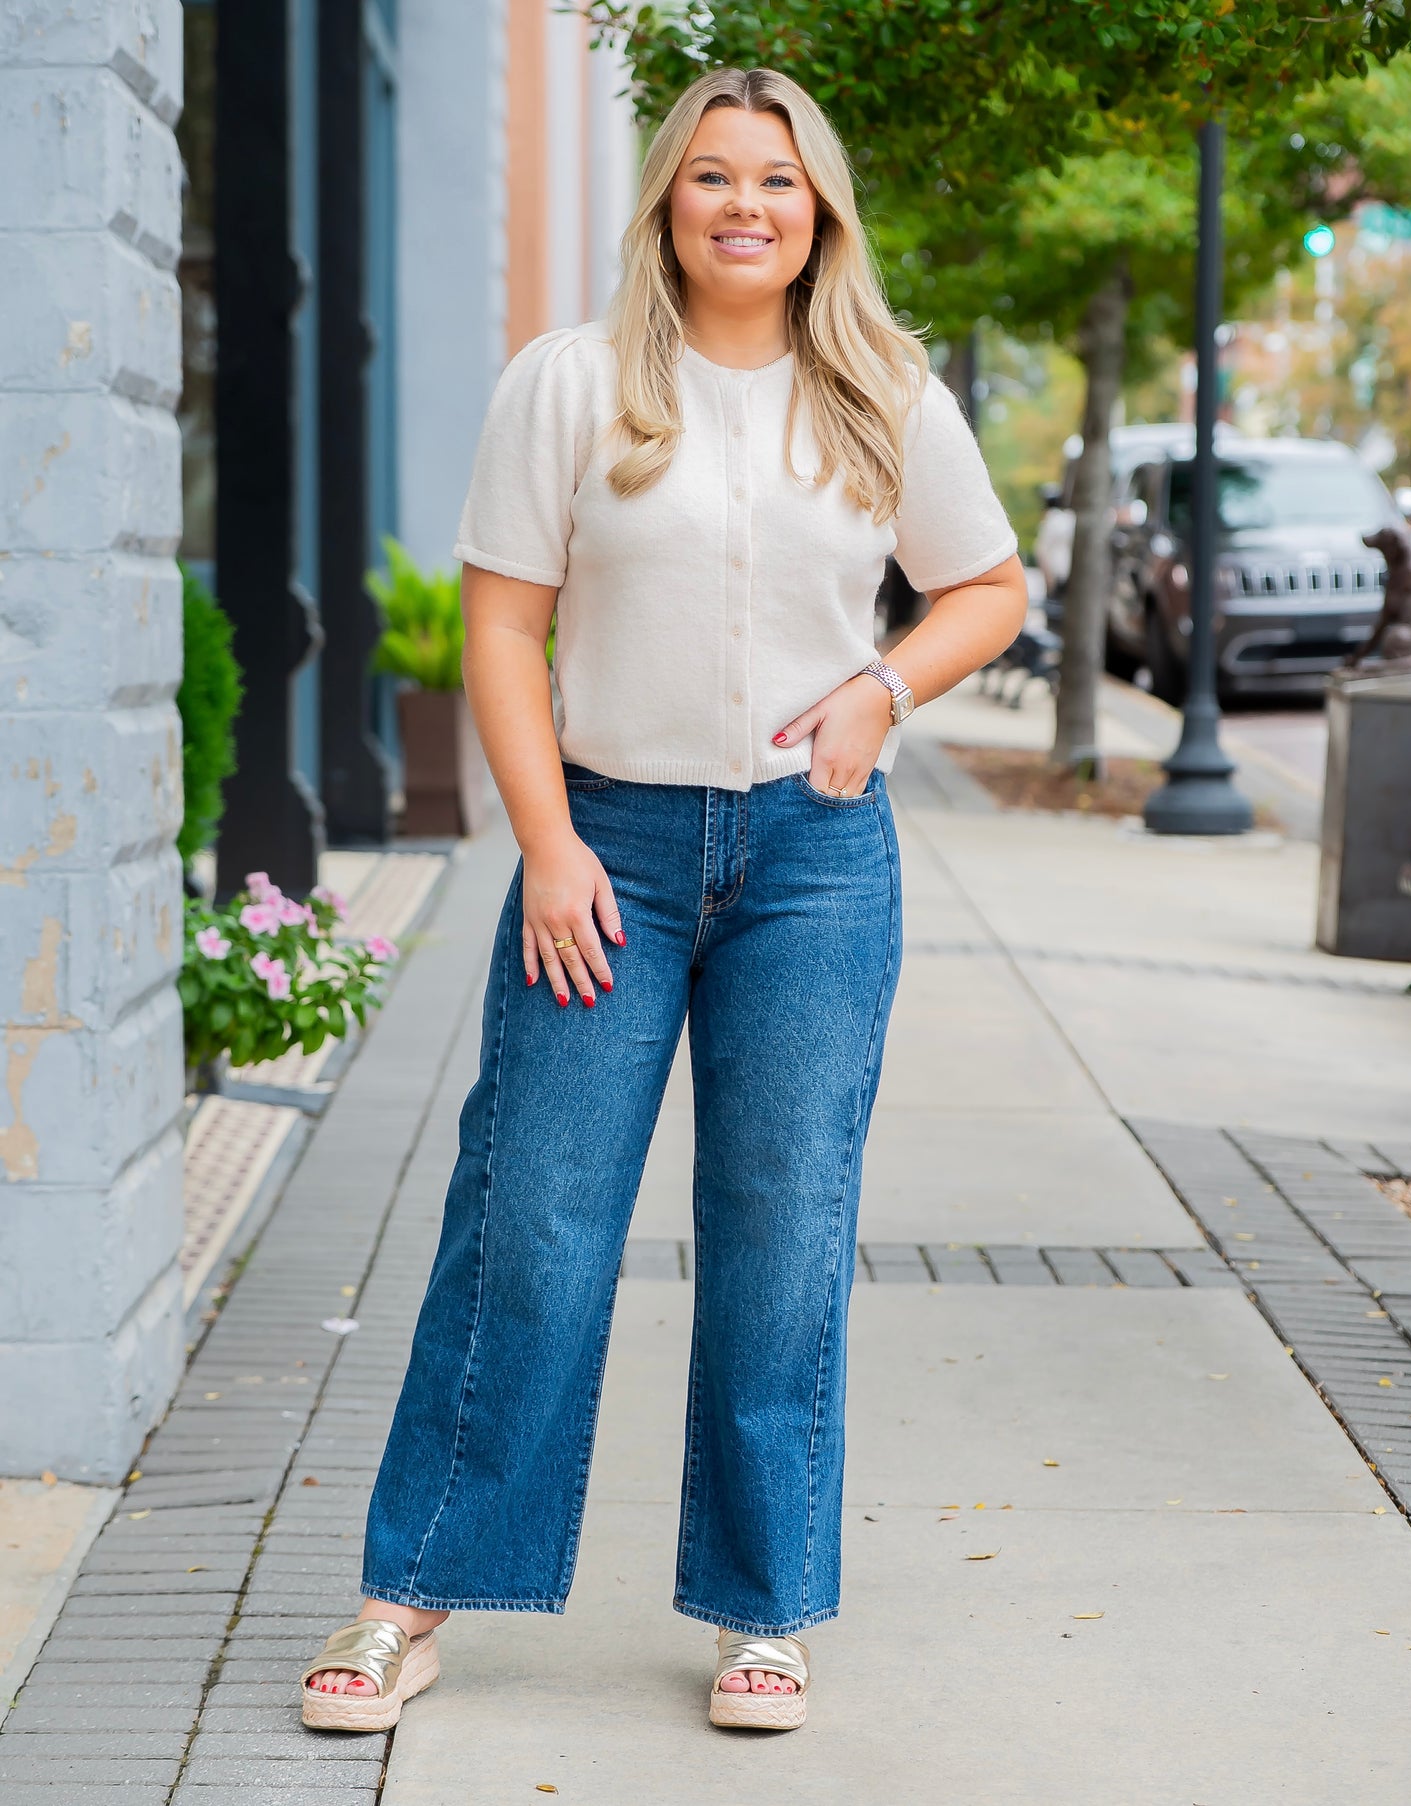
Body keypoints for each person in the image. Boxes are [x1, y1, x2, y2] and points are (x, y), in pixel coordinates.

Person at [301, 64, 1026, 1735]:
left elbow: (985, 584)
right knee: (531, 1223)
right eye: (713, 177)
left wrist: (882, 692)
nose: (746, 206)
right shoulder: (570, 385)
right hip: (605, 848)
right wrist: (548, 845)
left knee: (782, 1235)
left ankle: (761, 1611)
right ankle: (409, 1591)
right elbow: (503, 630)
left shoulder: (880, 392)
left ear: (818, 209)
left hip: (813, 856)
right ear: (666, 201)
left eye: (777, 180)